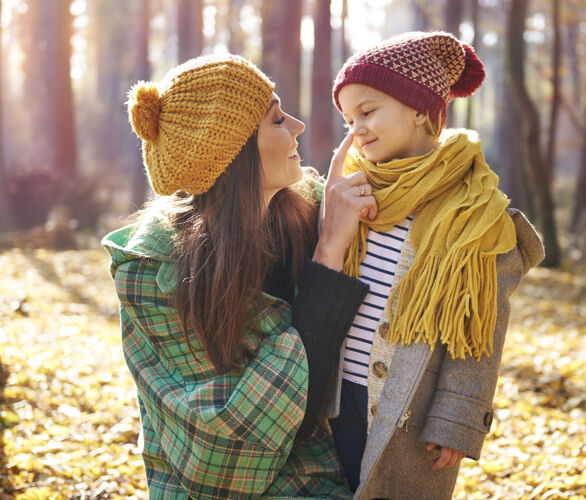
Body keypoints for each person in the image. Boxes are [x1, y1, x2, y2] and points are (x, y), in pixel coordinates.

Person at [102, 54, 378, 499]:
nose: (297, 126)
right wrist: (328, 253)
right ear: (233, 155)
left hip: (324, 472)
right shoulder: (152, 272)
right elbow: (234, 447)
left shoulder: (306, 209)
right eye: (275, 120)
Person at [324, 32, 545, 499]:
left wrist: (458, 417)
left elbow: (482, 327)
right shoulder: (352, 194)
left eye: (368, 111)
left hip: (409, 407)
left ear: (420, 110)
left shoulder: (475, 213)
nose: (356, 130)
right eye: (348, 119)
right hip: (333, 395)